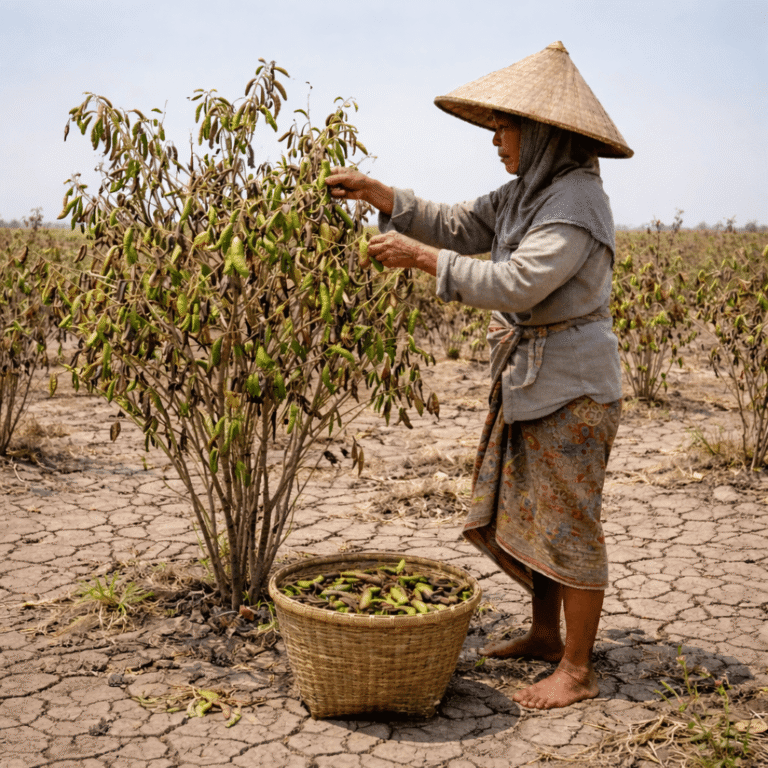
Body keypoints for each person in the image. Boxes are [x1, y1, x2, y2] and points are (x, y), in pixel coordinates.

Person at [325, 41, 633, 710]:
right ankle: (546, 637)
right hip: (535, 381)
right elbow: (461, 223)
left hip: (574, 387)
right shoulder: (529, 192)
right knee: (536, 515)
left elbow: (520, 283)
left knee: (571, 523)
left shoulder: (576, 201)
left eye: (505, 126)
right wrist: (385, 195)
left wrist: (422, 261)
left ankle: (577, 671)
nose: (495, 140)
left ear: (545, 131)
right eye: (494, 126)